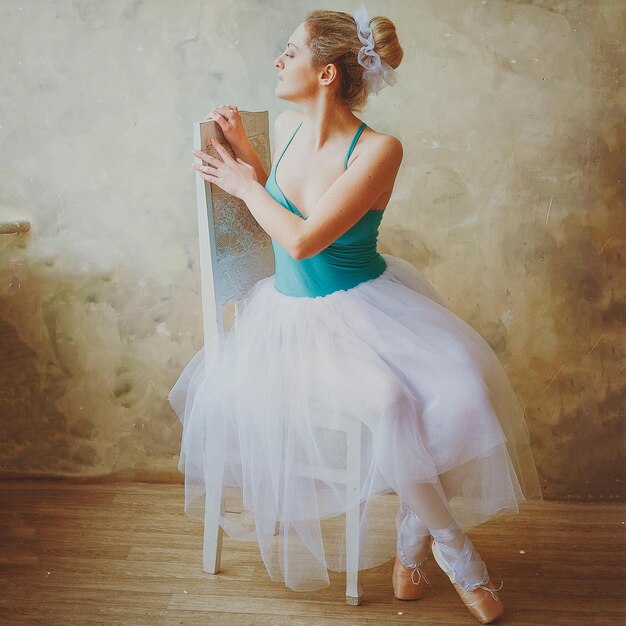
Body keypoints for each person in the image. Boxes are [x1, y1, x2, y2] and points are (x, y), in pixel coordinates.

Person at [169, 3, 543, 623]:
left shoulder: (379, 150)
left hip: (375, 305)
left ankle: (408, 543)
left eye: (290, 51)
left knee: (464, 395)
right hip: (298, 322)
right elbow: (283, 206)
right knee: (391, 403)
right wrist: (246, 160)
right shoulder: (286, 127)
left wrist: (244, 185)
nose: (277, 59)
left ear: (326, 74)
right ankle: (453, 550)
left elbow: (300, 239)